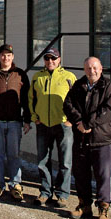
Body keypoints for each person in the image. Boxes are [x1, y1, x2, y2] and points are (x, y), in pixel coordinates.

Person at [63, 57, 111, 219]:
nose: (91, 71)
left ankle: (103, 207)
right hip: (81, 138)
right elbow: (67, 104)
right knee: (81, 174)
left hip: (102, 139)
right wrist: (79, 122)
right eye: (88, 68)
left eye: (95, 68)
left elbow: (108, 110)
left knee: (103, 175)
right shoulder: (79, 86)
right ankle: (84, 204)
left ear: (101, 69)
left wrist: (89, 124)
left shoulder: (109, 86)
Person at [28, 48, 76, 208]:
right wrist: (34, 117)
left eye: (53, 58)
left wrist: (71, 120)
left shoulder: (69, 77)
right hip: (43, 124)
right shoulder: (37, 77)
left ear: (59, 59)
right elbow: (31, 99)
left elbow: (77, 100)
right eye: (47, 58)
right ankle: (45, 192)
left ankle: (62, 194)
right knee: (42, 160)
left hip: (63, 124)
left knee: (65, 161)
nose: (50, 61)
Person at [0, 44, 31, 202]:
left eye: (9, 55)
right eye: (3, 55)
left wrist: (27, 119)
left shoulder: (20, 75)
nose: (6, 58)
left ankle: (15, 184)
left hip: (14, 122)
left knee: (14, 155)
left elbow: (26, 99)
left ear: (13, 57)